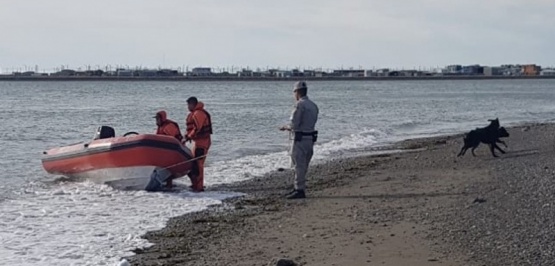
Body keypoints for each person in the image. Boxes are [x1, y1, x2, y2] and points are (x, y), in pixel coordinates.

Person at [280, 81, 319, 199]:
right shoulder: (313, 105)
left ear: (297, 92)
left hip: (300, 139)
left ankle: (299, 190)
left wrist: (285, 127)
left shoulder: (299, 105)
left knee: (299, 165)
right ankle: (299, 187)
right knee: (304, 165)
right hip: (310, 138)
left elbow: (294, 124)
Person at [184, 97, 213, 192]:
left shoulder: (198, 114)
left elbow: (197, 128)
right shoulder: (196, 113)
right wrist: (187, 136)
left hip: (202, 142)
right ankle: (195, 184)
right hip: (198, 142)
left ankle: (199, 186)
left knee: (198, 164)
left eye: (189, 105)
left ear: (193, 104)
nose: (188, 107)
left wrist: (188, 137)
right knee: (194, 163)